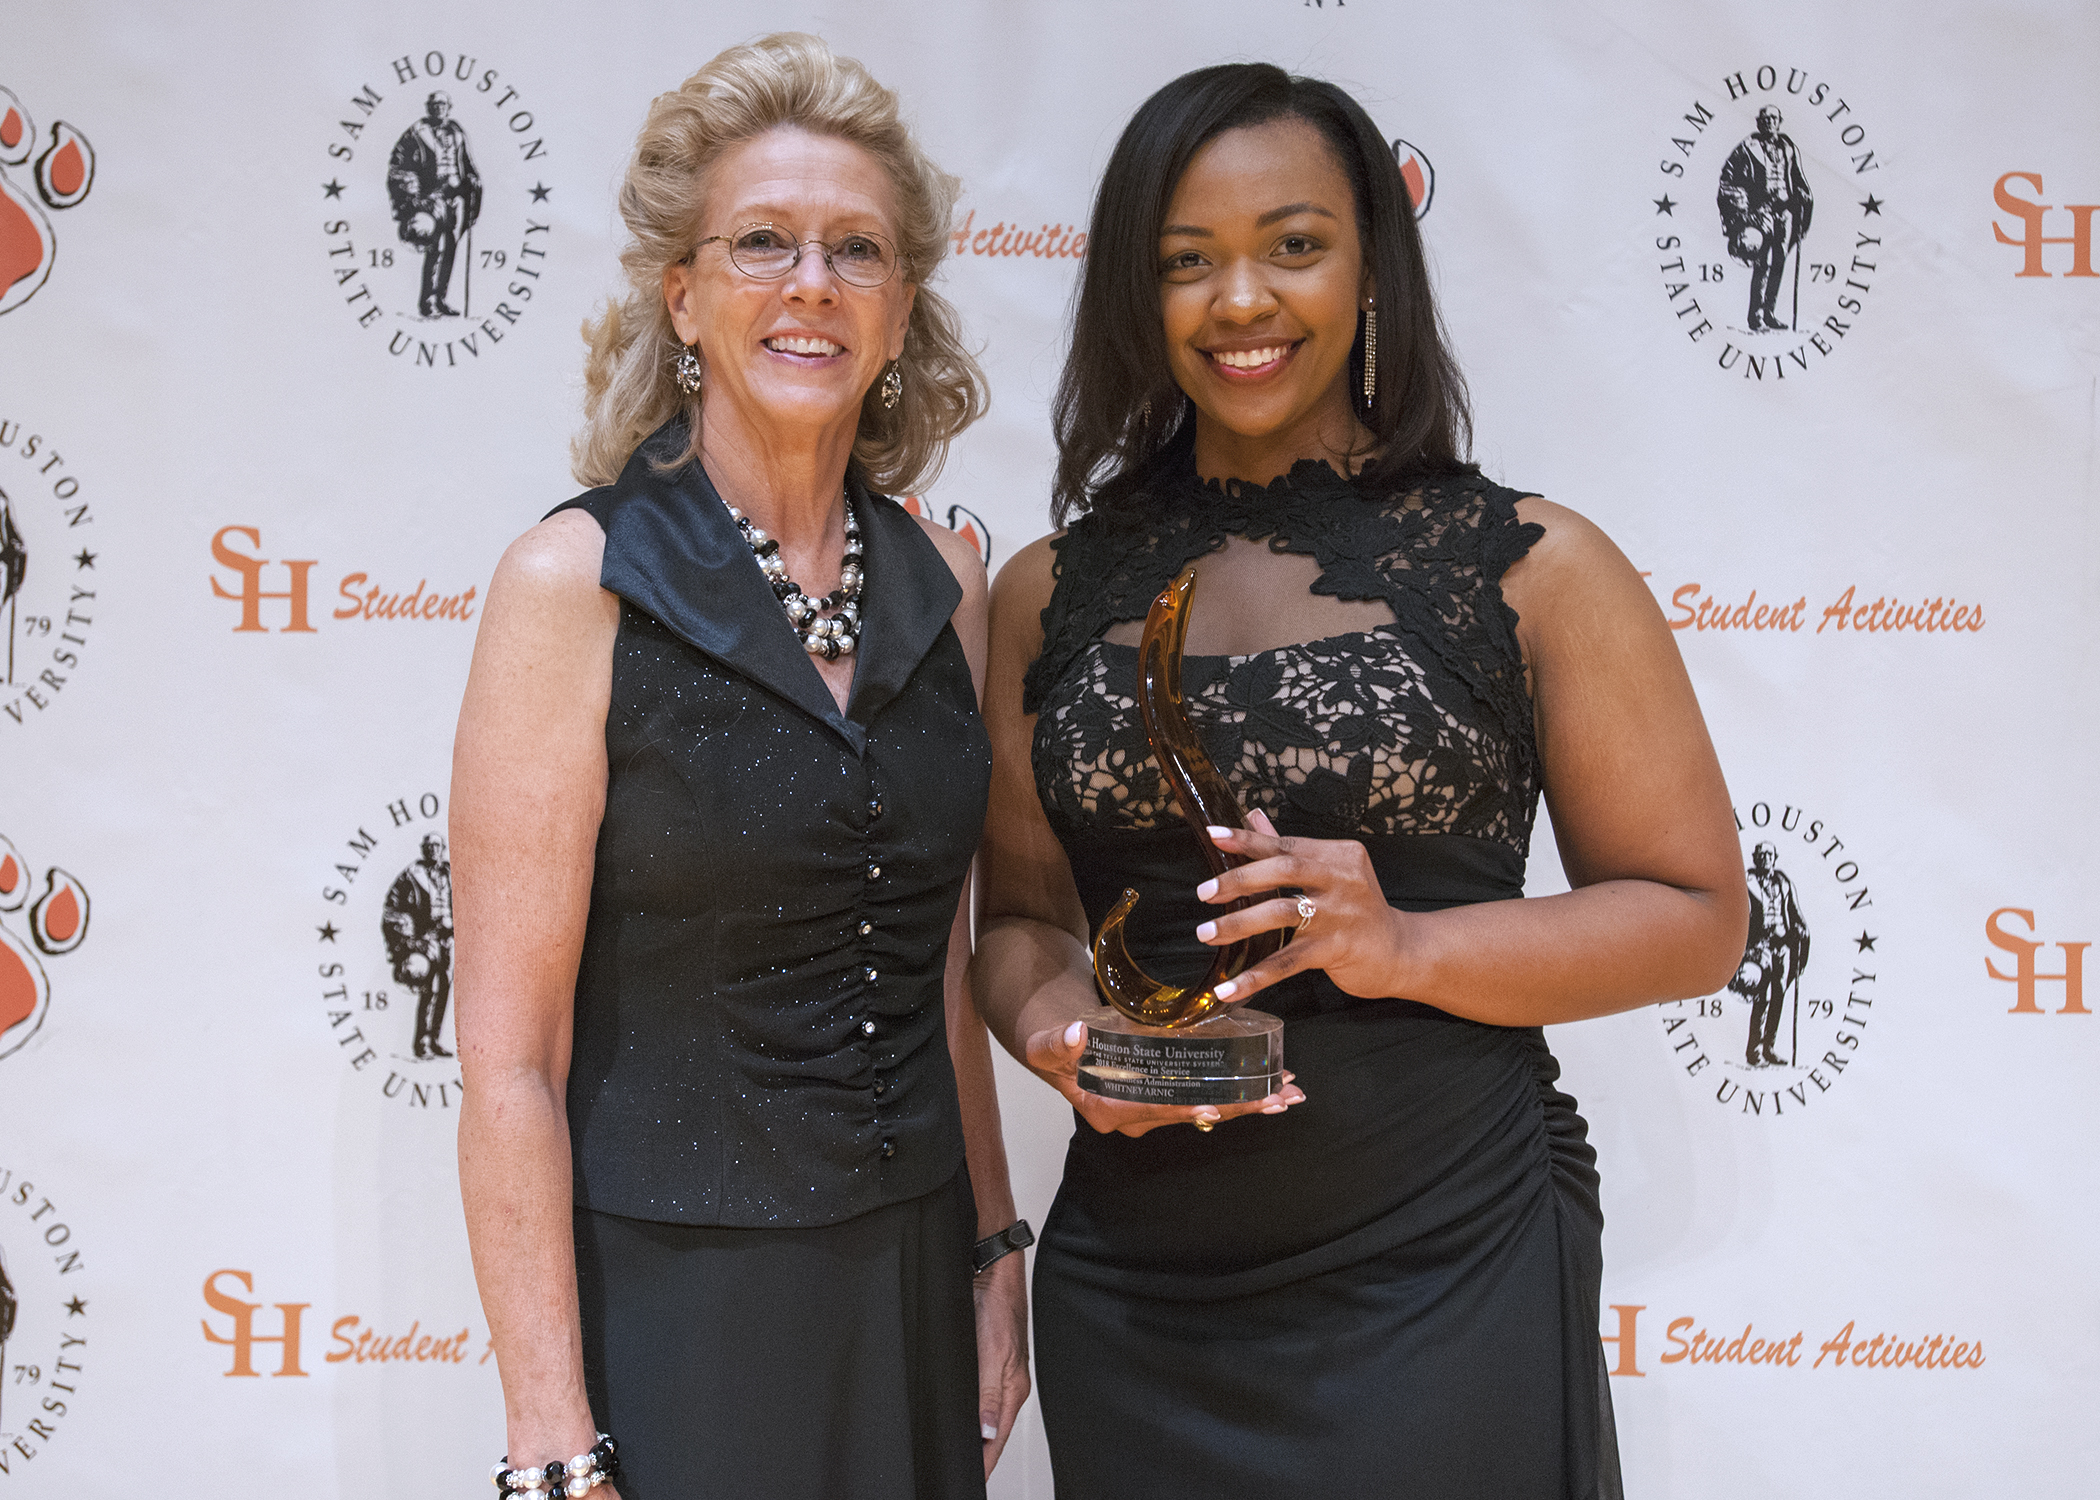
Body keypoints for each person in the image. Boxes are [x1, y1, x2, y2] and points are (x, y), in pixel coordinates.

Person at [972, 64, 1748, 1497]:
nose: (1241, 300)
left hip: (1446, 1263)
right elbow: (1018, 925)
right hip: (1140, 1295)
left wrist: (1406, 946)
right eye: (1186, 261)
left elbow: (1699, 917)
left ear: (1373, 265)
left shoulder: (1536, 569)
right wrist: (1062, 1037)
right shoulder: (1043, 593)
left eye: (1294, 244)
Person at [452, 34, 1027, 1500]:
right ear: (683, 296)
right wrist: (550, 1440)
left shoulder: (949, 586)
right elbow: (510, 1059)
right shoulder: (572, 583)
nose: (811, 283)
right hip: (677, 1311)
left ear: (901, 309)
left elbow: (940, 970)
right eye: (762, 242)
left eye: (857, 250)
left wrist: (992, 1247)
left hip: (910, 1283)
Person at [1717, 105, 1813, 333]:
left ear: (1780, 122)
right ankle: (1755, 317)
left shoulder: (1788, 148)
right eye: (1765, 119)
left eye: (1773, 118)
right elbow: (1727, 179)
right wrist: (1743, 208)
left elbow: (1797, 177)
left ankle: (1769, 313)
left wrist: (1803, 195)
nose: (1769, 122)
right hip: (1761, 212)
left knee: (1779, 261)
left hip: (1785, 212)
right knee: (1763, 263)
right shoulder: (1747, 148)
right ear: (1758, 122)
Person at [386, 90, 482, 317]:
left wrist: (472, 180)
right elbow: (400, 166)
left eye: (443, 104)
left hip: (456, 198)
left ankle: (441, 299)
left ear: (449, 107)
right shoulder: (416, 133)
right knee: (436, 248)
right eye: (435, 105)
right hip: (431, 199)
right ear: (429, 107)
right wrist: (416, 197)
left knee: (451, 248)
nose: (439, 108)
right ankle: (427, 301)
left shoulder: (457, 132)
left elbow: (466, 163)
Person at [1732, 840, 1809, 1067]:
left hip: (1782, 947)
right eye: (1761, 854)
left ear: (1775, 858)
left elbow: (1794, 911)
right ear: (1755, 858)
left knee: (1778, 996)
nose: (1765, 858)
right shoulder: (1745, 881)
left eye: (1769, 854)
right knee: (1762, 997)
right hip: (1759, 947)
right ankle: (1753, 1051)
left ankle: (1769, 1048)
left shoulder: (1784, 883)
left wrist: (1801, 929)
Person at [381, 831, 454, 1060]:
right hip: (426, 939)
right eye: (429, 846)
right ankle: (421, 1043)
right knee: (430, 988)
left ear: (442, 849)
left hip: (448, 939)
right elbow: (392, 908)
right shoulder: (411, 875)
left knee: (444, 987)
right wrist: (409, 938)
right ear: (423, 849)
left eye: (437, 846)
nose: (433, 850)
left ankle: (434, 1040)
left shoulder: (451, 872)